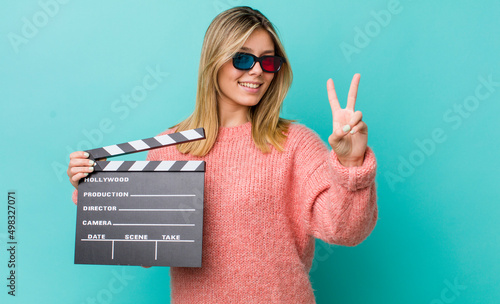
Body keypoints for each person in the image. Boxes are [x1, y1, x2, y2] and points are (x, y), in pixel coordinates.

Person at [68, 6, 378, 303]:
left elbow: (345, 231)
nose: (257, 71)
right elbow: (146, 252)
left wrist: (351, 165)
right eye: (242, 59)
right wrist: (96, 190)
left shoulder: (295, 143)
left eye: (268, 62)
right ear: (214, 60)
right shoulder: (170, 147)